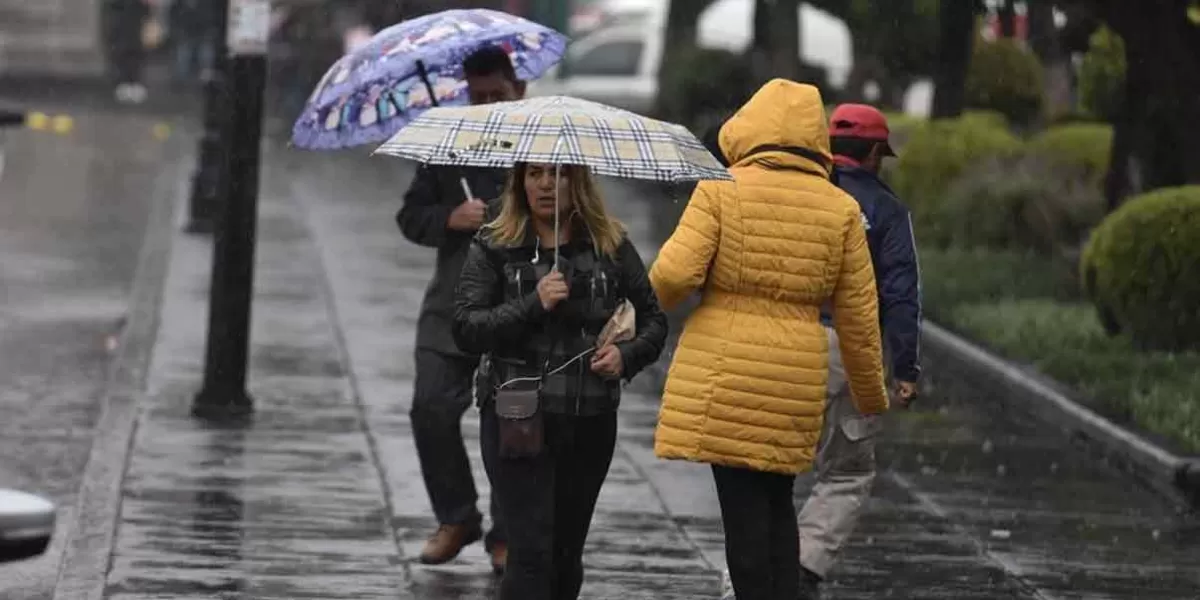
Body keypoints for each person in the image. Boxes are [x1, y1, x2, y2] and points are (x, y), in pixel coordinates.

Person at [649, 79, 889, 600]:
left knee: (741, 515)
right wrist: (871, 396)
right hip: (796, 377)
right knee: (778, 503)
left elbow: (673, 276)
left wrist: (640, 313)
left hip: (725, 372)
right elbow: (859, 315)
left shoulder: (719, 187)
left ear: (749, 128)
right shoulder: (840, 208)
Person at [716, 105, 924, 600]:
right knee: (848, 469)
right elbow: (901, 293)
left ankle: (740, 584)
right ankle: (804, 566)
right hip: (851, 348)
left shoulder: (799, 192)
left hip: (782, 344)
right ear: (875, 154)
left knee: (768, 472)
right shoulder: (888, 211)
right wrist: (906, 368)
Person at [454, 162, 668, 600]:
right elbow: (467, 328)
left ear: (580, 182)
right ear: (520, 182)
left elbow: (654, 321)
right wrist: (535, 302)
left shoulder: (610, 244)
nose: (547, 185)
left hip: (588, 418)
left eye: (560, 174)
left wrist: (625, 356)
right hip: (518, 419)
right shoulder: (496, 245)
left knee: (566, 555)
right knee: (530, 553)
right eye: (535, 174)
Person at [395, 45, 526, 574]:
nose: (488, 103)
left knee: (511, 427)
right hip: (451, 306)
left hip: (517, 309)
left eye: (497, 93)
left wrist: (507, 218)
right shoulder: (446, 146)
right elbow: (410, 216)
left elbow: (572, 217)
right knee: (430, 408)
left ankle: (508, 532)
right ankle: (456, 516)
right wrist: (451, 216)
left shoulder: (540, 143)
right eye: (478, 95)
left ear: (518, 89)